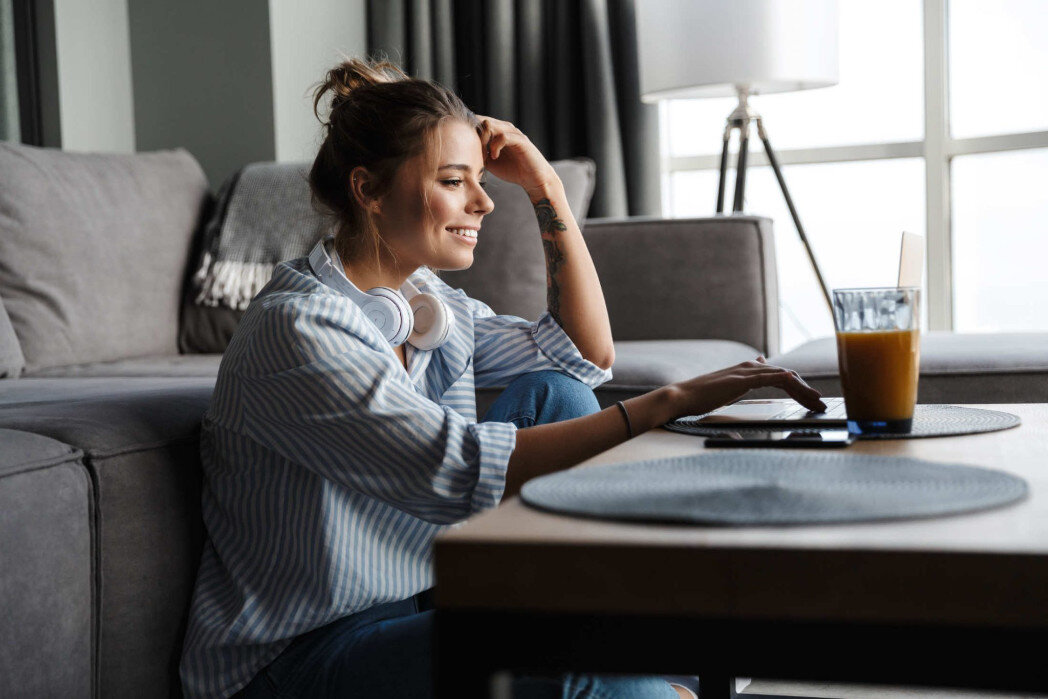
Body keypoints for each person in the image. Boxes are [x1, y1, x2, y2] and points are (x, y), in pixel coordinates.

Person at [179, 58, 825, 699]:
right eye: (455, 181)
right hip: (296, 660)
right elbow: (460, 469)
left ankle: (648, 659)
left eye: (482, 181)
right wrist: (671, 401)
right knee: (568, 648)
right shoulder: (298, 330)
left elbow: (581, 356)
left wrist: (546, 186)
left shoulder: (430, 306)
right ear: (368, 190)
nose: (485, 202)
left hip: (421, 597)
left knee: (559, 395)